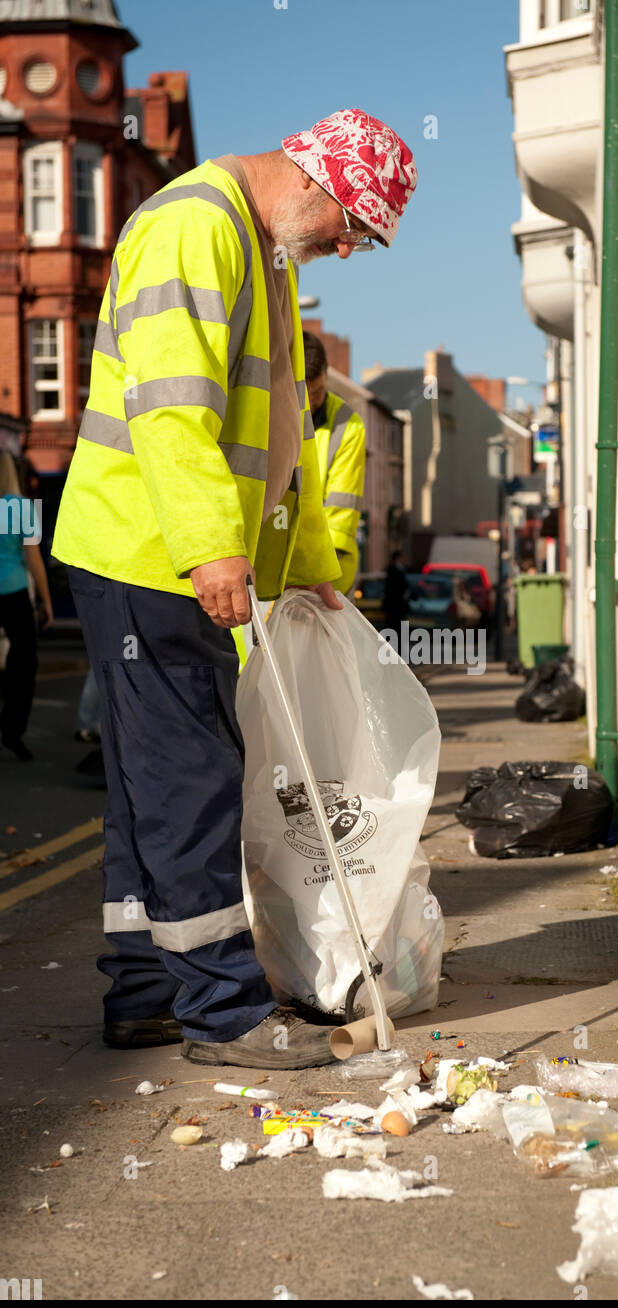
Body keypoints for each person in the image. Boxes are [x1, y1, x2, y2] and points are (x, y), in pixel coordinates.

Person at [51, 110, 417, 1067]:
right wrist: (213, 548)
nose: (346, 247)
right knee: (191, 778)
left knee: (148, 789)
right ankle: (223, 1012)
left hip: (151, 550)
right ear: (313, 177)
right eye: (353, 225)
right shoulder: (196, 224)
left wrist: (306, 574)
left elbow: (276, 444)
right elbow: (172, 409)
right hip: (149, 550)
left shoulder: (259, 252)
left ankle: (144, 992)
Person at [303, 331, 366, 595]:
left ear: (327, 374)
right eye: (303, 392)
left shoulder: (347, 425)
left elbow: (341, 514)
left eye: (317, 391)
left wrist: (319, 573)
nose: (311, 400)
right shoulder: (271, 413)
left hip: (330, 569)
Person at [0, 450, 52, 760]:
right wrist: (46, 601)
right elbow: (33, 557)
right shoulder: (19, 507)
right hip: (13, 591)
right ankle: (12, 729)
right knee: (24, 662)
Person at [384, 549, 410, 632]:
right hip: (395, 604)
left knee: (398, 625)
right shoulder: (393, 570)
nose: (404, 559)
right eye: (402, 557)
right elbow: (394, 588)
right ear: (398, 558)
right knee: (395, 626)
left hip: (398, 604)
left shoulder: (400, 569)